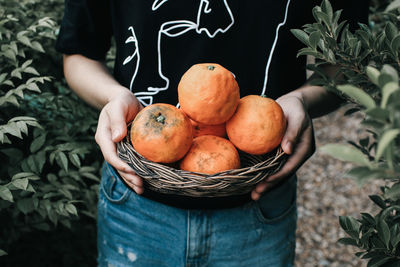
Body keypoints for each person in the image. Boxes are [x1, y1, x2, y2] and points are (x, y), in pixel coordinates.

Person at [56, 0, 368, 266]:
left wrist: (302, 100)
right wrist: (113, 97)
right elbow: (78, 54)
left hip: (259, 202)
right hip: (136, 202)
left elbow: (349, 64)